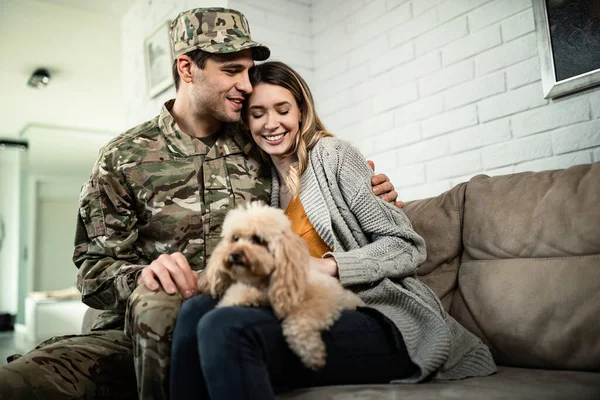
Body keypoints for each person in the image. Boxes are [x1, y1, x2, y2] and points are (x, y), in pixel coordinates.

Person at [0, 8, 399, 400]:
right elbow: (93, 273)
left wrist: (369, 189)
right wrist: (142, 276)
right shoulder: (122, 158)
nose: (247, 84)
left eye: (248, 70)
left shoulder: (258, 141)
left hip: (238, 321)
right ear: (187, 68)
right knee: (21, 381)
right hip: (133, 336)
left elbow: (319, 179)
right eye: (232, 71)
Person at [169, 61, 498, 400]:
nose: (271, 124)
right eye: (257, 114)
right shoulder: (259, 181)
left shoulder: (333, 156)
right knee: (197, 309)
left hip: (379, 314)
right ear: (245, 121)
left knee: (226, 327)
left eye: (282, 110)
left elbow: (406, 246)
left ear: (301, 111)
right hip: (303, 308)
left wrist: (331, 265)